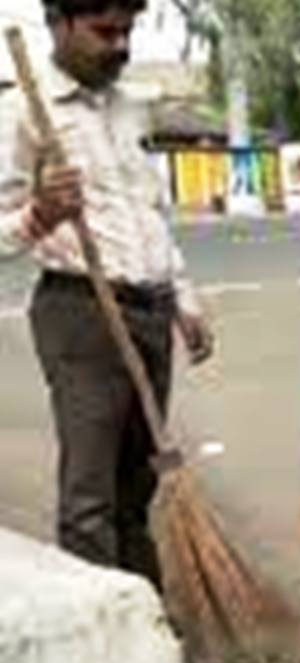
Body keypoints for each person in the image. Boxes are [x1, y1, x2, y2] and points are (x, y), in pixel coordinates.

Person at [0, 0, 215, 588]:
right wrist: (40, 214)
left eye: (127, 31)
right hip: (80, 312)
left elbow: (151, 213)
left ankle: (144, 611)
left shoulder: (129, 108)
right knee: (90, 498)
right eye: (103, 31)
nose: (119, 44)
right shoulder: (20, 111)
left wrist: (183, 297)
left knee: (137, 484)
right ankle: (99, 621)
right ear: (60, 25)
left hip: (149, 308)